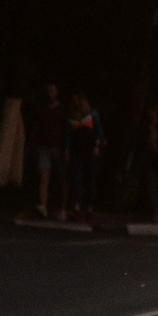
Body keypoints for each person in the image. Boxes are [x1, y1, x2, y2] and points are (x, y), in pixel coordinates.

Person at [62, 91, 103, 221]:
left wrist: (96, 145)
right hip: (76, 151)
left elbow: (98, 131)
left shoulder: (92, 114)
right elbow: (68, 135)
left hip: (89, 150)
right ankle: (76, 208)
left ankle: (90, 209)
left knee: (90, 179)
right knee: (76, 178)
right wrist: (67, 151)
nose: (76, 104)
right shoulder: (71, 116)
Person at [30, 83, 65, 218]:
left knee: (61, 178)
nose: (50, 93)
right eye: (48, 91)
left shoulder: (61, 109)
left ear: (56, 92)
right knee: (44, 177)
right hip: (44, 146)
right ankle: (43, 205)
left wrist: (65, 147)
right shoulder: (41, 109)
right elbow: (35, 127)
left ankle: (62, 209)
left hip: (58, 147)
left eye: (53, 90)